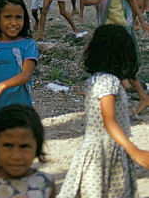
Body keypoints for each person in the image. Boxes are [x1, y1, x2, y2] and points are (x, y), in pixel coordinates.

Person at [60, 24, 149, 198]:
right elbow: (109, 121)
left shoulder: (104, 79)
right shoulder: (106, 82)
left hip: (110, 149)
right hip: (102, 154)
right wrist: (133, 150)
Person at [82, 0, 149, 113]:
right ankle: (104, 90)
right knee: (96, 57)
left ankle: (142, 97)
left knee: (122, 64)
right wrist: (95, 1)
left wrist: (141, 20)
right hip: (104, 28)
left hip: (119, 29)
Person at [0, 0, 38, 153]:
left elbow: (26, 75)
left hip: (19, 112)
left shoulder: (28, 45)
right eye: (8, 17)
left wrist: (0, 86)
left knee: (17, 156)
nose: (13, 22)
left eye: (18, 17)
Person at [0, 105, 55, 198]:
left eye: (24, 146)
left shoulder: (45, 184)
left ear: (37, 146)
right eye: (7, 145)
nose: (16, 156)